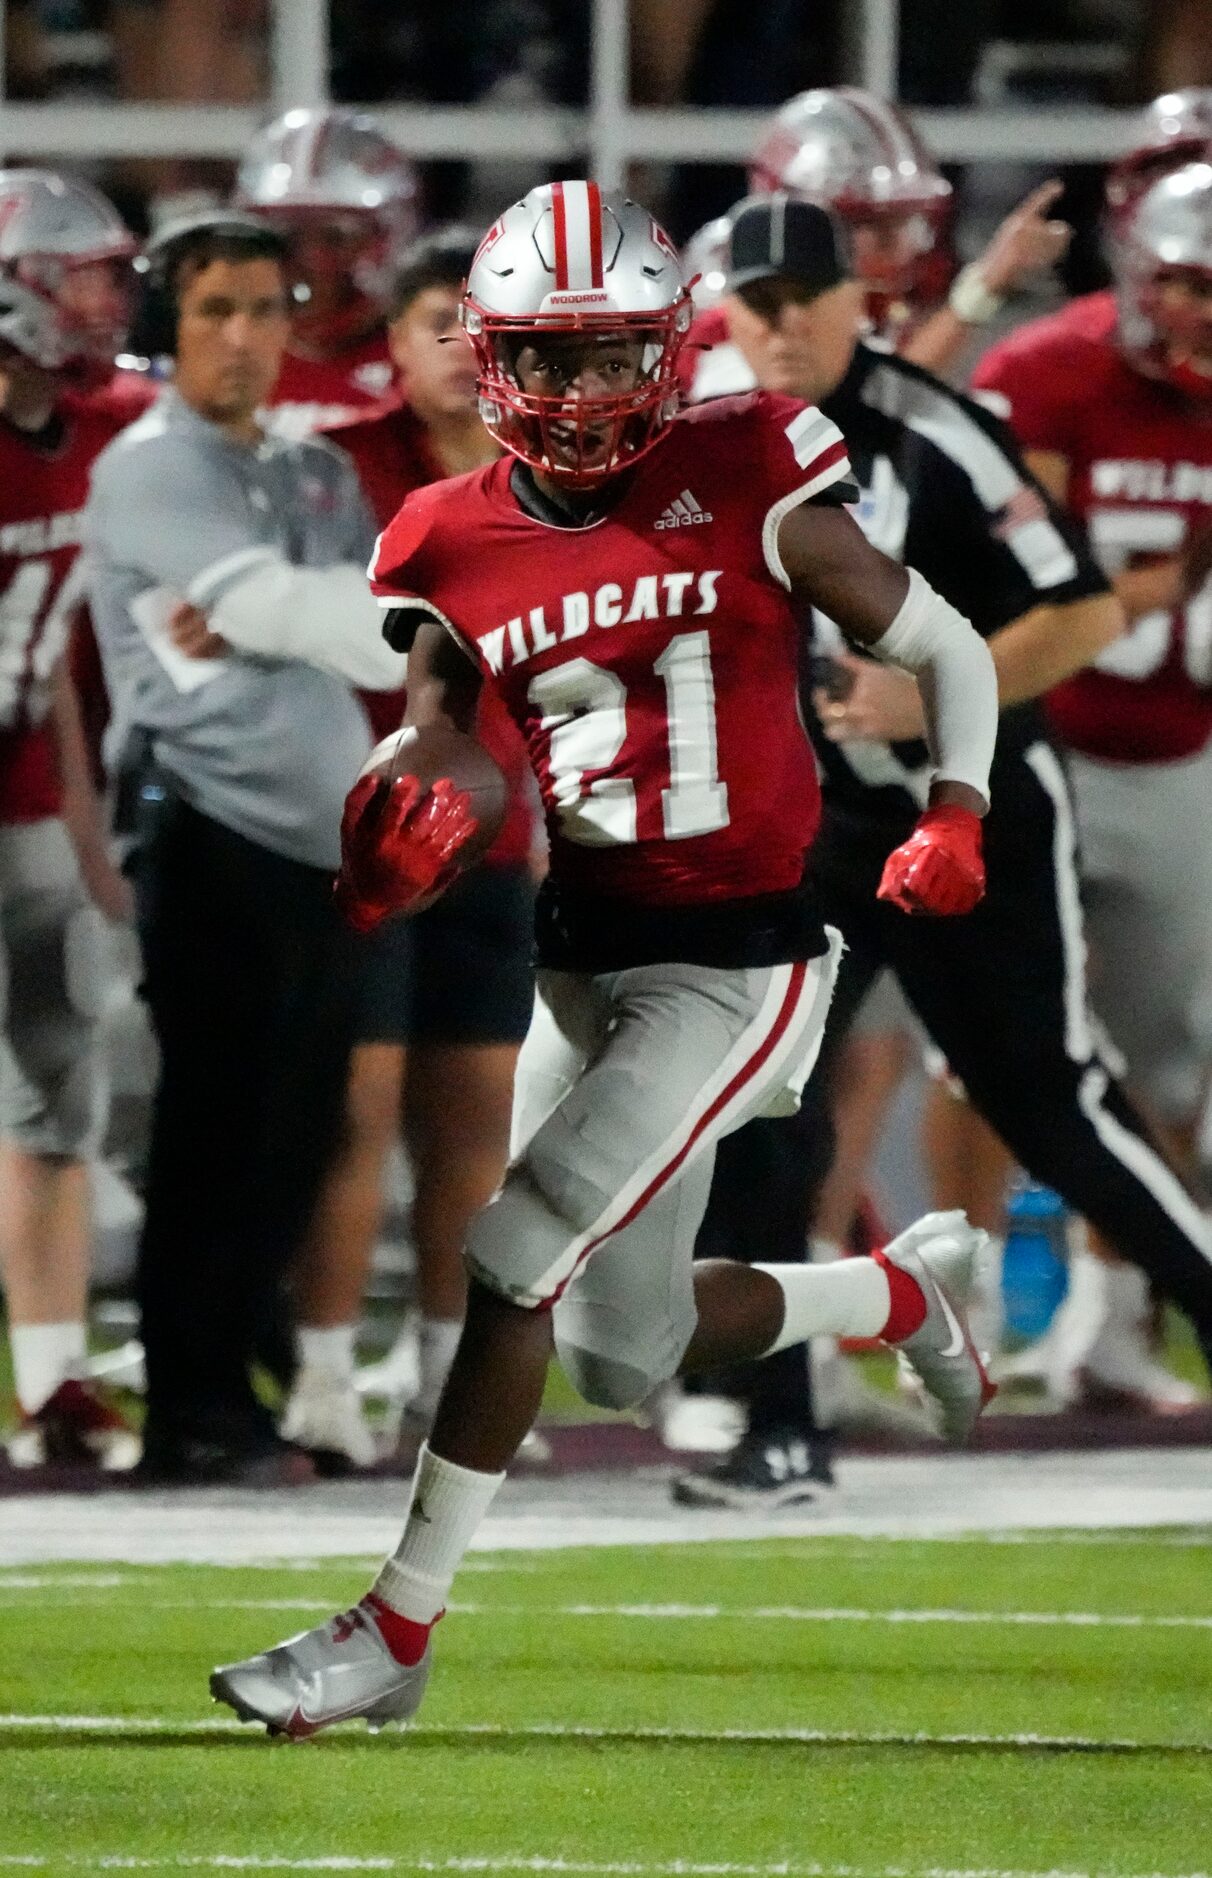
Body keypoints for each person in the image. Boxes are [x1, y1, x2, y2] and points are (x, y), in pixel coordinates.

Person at [211, 176, 1002, 1736]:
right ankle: (895, 1300)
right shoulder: (446, 531)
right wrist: (403, 827)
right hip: (586, 956)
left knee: (514, 1248)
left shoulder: (749, 459)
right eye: (548, 357)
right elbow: (456, 741)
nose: (577, 392)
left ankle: (393, 1630)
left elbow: (943, 642)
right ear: (492, 356)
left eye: (606, 355)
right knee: (615, 1349)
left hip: (744, 958)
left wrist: (960, 810)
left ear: (666, 347)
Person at [674, 194, 1212, 1506]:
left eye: (805, 294)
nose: (783, 321)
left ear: (859, 296)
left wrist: (936, 690)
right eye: (758, 301)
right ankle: (781, 1429)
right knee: (759, 1102)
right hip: (814, 822)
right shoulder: (701, 441)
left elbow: (1080, 612)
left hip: (972, 802)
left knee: (1052, 1105)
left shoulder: (938, 432)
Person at [86, 211, 406, 1484]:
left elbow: (382, 629)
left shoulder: (311, 469)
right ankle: (192, 1408)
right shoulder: (149, 467)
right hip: (208, 828)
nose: (242, 336)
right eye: (214, 309)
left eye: (266, 309)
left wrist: (309, 616)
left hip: (320, 848)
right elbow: (297, 610)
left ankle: (237, 1377)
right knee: (214, 1128)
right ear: (166, 325)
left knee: (300, 1127)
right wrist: (299, 613)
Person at [281, 228, 535, 1470]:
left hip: (501, 842)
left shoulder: (555, 470)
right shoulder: (334, 468)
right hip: (362, 839)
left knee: (473, 1127)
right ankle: (324, 1370)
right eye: (433, 319)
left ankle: (449, 1373)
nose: (453, 345)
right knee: (356, 1111)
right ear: (389, 342)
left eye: (474, 320)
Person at [968, 159, 1212, 1408]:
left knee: (1160, 1074)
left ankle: (1114, 1318)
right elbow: (1017, 579)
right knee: (980, 1052)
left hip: (1184, 754)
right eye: (1182, 283)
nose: (1204, 313)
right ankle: (961, 1317)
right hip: (1036, 745)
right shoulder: (1049, 371)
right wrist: (1142, 596)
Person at [0, 168, 143, 1470]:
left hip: (27, 802)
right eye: (83, 273)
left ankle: (51, 1381)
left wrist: (85, 823)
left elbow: (42, 657)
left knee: (57, 1087)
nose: (106, 299)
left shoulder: (94, 424)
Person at [683, 87, 1071, 391]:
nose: (897, 244)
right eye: (867, 222)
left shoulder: (900, 284)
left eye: (903, 220)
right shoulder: (725, 290)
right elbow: (850, 411)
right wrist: (980, 292)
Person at [233, 106, 421, 439]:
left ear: (386, 238)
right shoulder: (230, 353)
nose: (312, 259)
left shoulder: (421, 361)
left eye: (335, 237)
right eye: (290, 237)